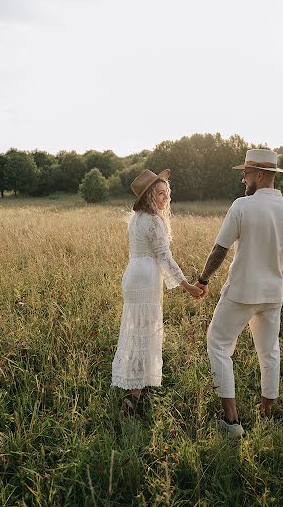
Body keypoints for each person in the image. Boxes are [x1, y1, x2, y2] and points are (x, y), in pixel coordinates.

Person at [195, 148, 283, 438]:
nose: (243, 180)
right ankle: (267, 415)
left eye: (245, 174)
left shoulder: (241, 207)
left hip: (241, 292)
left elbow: (221, 249)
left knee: (217, 344)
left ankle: (230, 422)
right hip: (272, 294)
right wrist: (273, 274)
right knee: (269, 352)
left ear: (259, 175)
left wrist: (203, 278)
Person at [111, 168, 202, 414]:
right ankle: (134, 395)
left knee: (137, 329)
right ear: (149, 196)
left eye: (167, 194)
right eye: (160, 194)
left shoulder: (136, 219)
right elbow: (165, 258)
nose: (165, 199)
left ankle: (135, 386)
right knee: (145, 331)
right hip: (146, 276)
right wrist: (187, 286)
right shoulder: (153, 221)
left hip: (132, 273)